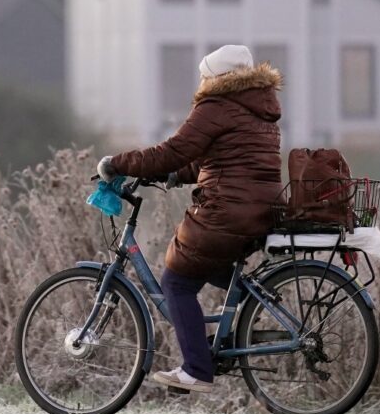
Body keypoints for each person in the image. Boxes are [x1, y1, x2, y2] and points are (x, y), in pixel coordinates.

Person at [97, 44, 283, 393]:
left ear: (217, 78)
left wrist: (117, 163)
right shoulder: (259, 107)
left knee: (177, 282)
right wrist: (175, 175)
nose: (200, 82)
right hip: (262, 208)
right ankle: (253, 300)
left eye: (204, 75)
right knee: (205, 261)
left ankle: (196, 369)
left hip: (228, 210)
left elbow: (173, 150)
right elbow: (218, 158)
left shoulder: (217, 106)